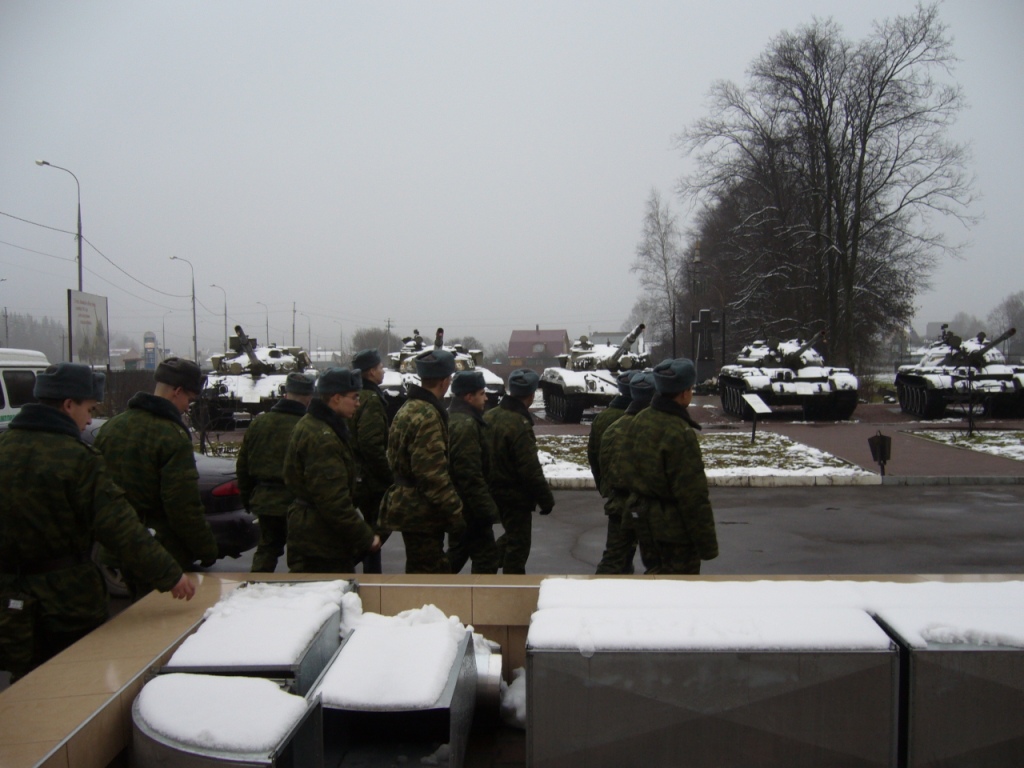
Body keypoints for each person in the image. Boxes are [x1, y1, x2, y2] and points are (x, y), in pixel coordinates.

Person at [0, 364, 194, 681]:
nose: (90, 419)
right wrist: (170, 575)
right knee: (75, 683)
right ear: (68, 405)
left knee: (26, 686)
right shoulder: (77, 459)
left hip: (11, 602)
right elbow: (119, 527)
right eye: (89, 408)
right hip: (68, 603)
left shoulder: (3, 449)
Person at [94, 357, 218, 600]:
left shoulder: (111, 427)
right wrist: (205, 548)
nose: (187, 408)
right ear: (177, 391)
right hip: (162, 552)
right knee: (165, 626)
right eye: (189, 400)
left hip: (120, 548)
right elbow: (182, 506)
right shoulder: (171, 435)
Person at [620, 358, 718, 574]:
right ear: (684, 393)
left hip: (644, 522)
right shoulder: (679, 431)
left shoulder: (640, 419)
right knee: (679, 590)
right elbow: (692, 494)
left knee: (655, 578)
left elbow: (624, 468)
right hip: (674, 530)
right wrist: (707, 544)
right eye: (690, 389)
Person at [283, 368, 381, 573]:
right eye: (354, 397)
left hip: (316, 533)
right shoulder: (323, 437)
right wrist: (366, 537)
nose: (358, 403)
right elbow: (333, 502)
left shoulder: (316, 425)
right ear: (336, 398)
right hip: (320, 541)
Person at [381, 348, 464, 574]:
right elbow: (431, 474)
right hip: (422, 511)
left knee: (420, 569)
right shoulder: (427, 414)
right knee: (430, 575)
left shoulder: (408, 407)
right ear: (446, 381)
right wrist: (456, 512)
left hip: (410, 505)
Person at [236, 372, 315, 573]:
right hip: (298, 504)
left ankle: (255, 591)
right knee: (300, 558)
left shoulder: (259, 423)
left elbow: (243, 466)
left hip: (265, 500)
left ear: (286, 393)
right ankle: (301, 598)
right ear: (309, 397)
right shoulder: (308, 426)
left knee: (267, 549)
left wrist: (248, 499)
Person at [484, 368, 555, 574]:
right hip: (514, 496)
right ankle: (512, 587)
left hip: (490, 490)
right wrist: (545, 499)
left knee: (512, 537)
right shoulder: (519, 424)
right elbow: (529, 467)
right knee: (518, 546)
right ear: (532, 394)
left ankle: (486, 566)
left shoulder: (489, 416)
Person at [595, 371, 654, 575]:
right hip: (651, 506)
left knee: (613, 559)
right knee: (659, 565)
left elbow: (598, 459)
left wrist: (606, 489)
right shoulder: (656, 427)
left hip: (618, 501)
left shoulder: (612, 427)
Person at [446, 370, 501, 574]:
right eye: (481, 393)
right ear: (469, 397)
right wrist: (486, 510)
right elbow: (468, 473)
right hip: (469, 507)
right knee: (486, 558)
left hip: (461, 505)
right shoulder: (465, 424)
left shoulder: (459, 419)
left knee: (459, 552)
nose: (486, 398)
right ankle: (481, 600)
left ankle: (431, 593)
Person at [348, 348, 393, 573]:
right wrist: (388, 477)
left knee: (367, 531)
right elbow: (371, 444)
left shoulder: (354, 397)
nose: (383, 371)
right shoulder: (372, 400)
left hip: (354, 474)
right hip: (369, 480)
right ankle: (354, 571)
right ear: (371, 372)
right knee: (377, 532)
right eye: (380, 367)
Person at [587, 370, 633, 490]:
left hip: (612, 488)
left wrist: (602, 484)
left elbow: (593, 454)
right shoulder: (643, 417)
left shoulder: (602, 417)